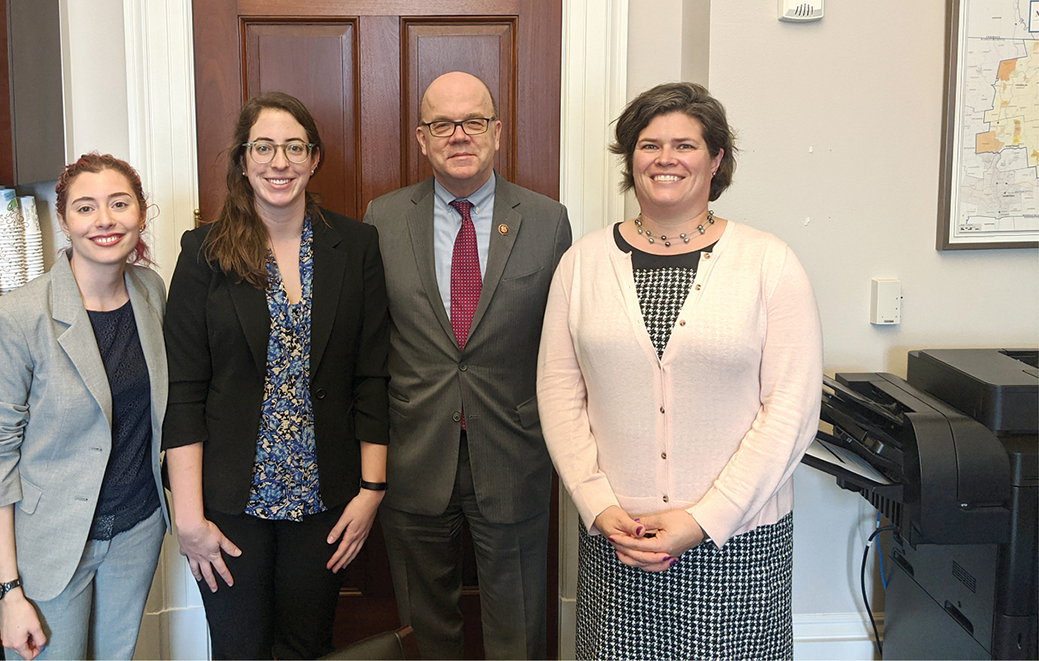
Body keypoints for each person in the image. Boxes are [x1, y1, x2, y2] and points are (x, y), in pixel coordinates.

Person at [536, 81, 824, 660]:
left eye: (685, 145)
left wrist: (704, 518)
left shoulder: (769, 263)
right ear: (630, 159)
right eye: (649, 145)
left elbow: (791, 410)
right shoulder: (583, 263)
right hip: (620, 537)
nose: (665, 159)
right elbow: (560, 394)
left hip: (739, 543)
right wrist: (597, 505)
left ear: (716, 160)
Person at [162, 92, 390, 660]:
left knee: (306, 648)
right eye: (263, 147)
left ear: (314, 160)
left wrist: (371, 491)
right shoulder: (203, 253)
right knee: (239, 650)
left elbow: (372, 375)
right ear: (243, 160)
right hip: (231, 504)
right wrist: (188, 518)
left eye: (294, 147)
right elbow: (183, 393)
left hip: (326, 500)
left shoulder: (355, 246)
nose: (278, 162)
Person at [364, 71, 572, 660]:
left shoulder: (546, 220)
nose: (459, 135)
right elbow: (372, 342)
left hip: (513, 451)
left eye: (474, 121)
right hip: (413, 452)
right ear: (421, 139)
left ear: (497, 132)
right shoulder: (383, 219)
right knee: (424, 628)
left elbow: (561, 348)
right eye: (441, 124)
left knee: (519, 627)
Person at [0, 153, 170, 661]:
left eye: (119, 203)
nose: (104, 219)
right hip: (44, 546)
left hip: (136, 530)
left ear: (141, 213)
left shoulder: (151, 292)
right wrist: (8, 590)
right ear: (64, 221)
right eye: (85, 207)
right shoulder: (12, 319)